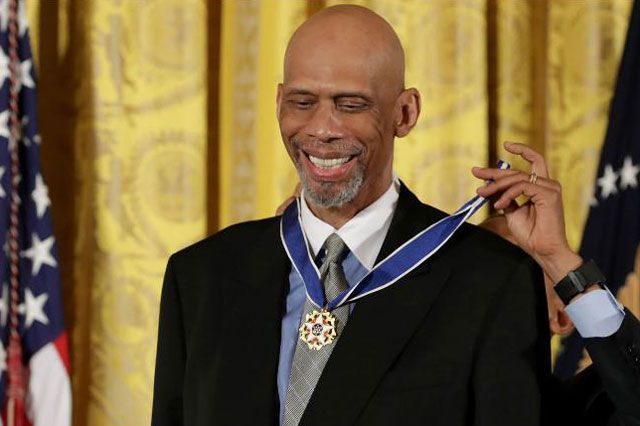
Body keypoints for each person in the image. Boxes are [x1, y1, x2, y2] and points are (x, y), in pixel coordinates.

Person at [151, 6, 551, 426]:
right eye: (302, 102)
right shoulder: (199, 276)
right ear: (278, 103)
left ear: (405, 113)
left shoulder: (490, 281)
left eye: (352, 104)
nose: (323, 129)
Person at [473, 143, 640, 426]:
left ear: (561, 316)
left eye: (512, 272)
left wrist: (556, 256)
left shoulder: (593, 406)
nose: (483, 288)